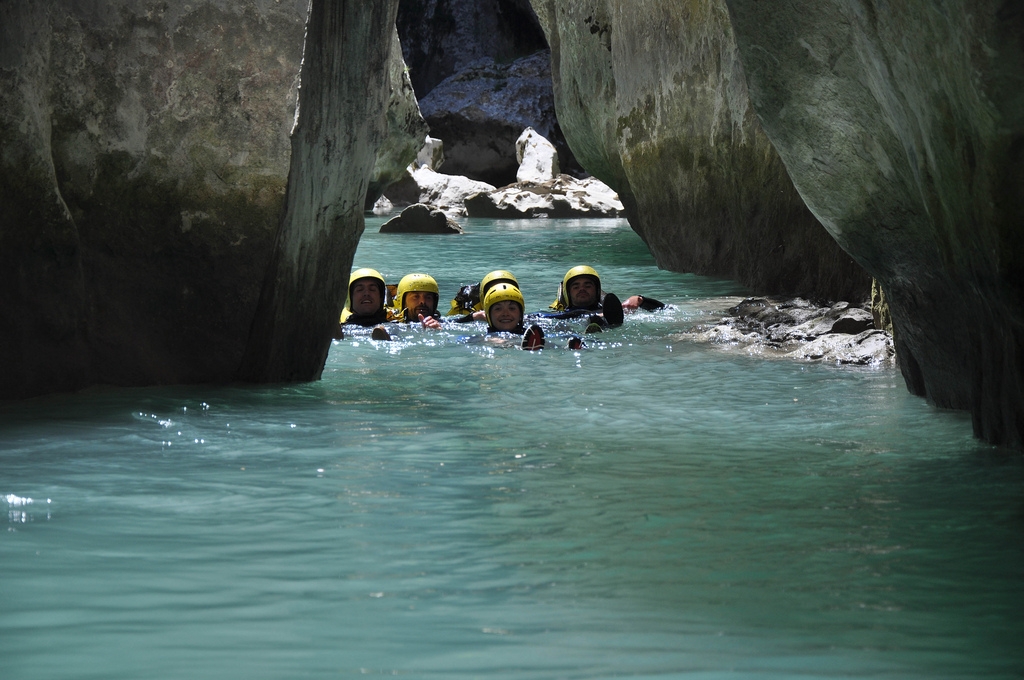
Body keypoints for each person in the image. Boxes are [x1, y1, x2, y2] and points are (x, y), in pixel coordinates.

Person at [548, 265, 665, 327]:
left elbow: (665, 309)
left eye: (587, 286)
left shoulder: (612, 310)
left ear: (597, 290)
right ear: (568, 293)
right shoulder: (562, 316)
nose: (582, 289)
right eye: (576, 287)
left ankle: (601, 325)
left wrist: (640, 300)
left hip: (607, 322)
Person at [482, 282, 545, 350]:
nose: (505, 313)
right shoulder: (482, 337)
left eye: (512, 308)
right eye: (498, 309)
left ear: (520, 314)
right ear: (488, 315)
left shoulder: (533, 334)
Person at [447, 269, 520, 321]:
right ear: (482, 294)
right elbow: (445, 323)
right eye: (493, 291)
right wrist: (472, 317)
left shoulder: (517, 312)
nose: (501, 294)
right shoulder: (465, 310)